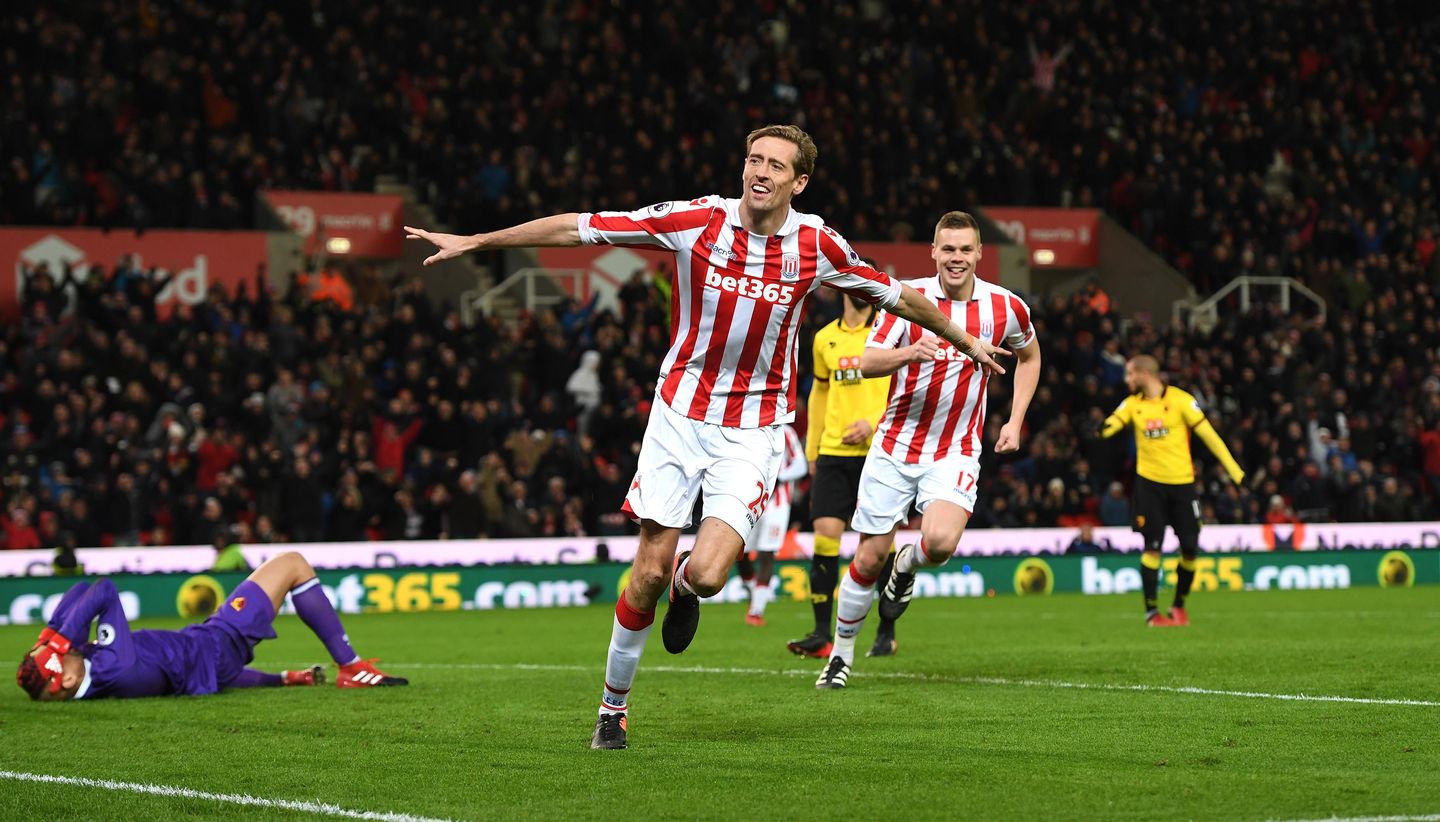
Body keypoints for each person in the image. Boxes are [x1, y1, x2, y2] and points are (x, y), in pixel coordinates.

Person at [405, 124, 1008, 749]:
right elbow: (578, 227)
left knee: (712, 574)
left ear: (798, 182)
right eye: (754, 159)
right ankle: (613, 709)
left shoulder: (816, 242)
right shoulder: (697, 220)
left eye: (776, 165)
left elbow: (900, 297)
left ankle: (686, 586)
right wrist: (475, 240)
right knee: (644, 571)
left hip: (754, 429)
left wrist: (963, 339)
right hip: (678, 416)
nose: (761, 172)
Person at [814, 211, 1041, 690]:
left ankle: (908, 563)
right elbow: (865, 362)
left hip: (955, 449)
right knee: (867, 558)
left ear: (979, 254)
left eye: (965, 250)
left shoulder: (1006, 308)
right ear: (933, 253)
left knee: (938, 545)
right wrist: (908, 354)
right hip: (894, 447)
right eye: (948, 249)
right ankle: (841, 653)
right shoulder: (906, 300)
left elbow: (1030, 356)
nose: (956, 258)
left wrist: (1016, 419)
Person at [16, 552, 407, 701]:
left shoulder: (86, 672)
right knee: (293, 565)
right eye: (58, 657)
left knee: (202, 665)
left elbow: (79, 589)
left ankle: (340, 671)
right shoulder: (113, 667)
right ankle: (351, 667)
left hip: (209, 656)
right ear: (64, 681)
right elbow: (102, 590)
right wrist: (58, 638)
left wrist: (282, 679)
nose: (65, 650)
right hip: (217, 642)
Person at [786, 262, 898, 661]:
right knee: (825, 535)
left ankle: (886, 628)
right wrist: (813, 448)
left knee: (877, 547)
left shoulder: (887, 335)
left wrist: (873, 423)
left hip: (878, 450)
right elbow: (817, 394)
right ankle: (820, 632)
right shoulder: (824, 338)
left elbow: (904, 393)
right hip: (833, 451)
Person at [1100, 355, 1245, 626]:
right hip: (1149, 485)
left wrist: (1234, 470)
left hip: (1183, 485)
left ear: (1144, 373)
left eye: (1130, 375)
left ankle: (1178, 605)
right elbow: (1112, 425)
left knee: (1190, 548)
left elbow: (1210, 436)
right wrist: (1099, 429)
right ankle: (1152, 613)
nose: (1127, 380)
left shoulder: (1181, 400)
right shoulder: (1132, 405)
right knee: (1152, 547)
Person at [739, 422, 806, 626]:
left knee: (767, 554)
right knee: (738, 552)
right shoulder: (750, 428)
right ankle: (754, 592)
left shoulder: (786, 432)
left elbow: (800, 465)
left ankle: (756, 611)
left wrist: (780, 476)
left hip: (778, 504)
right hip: (750, 500)